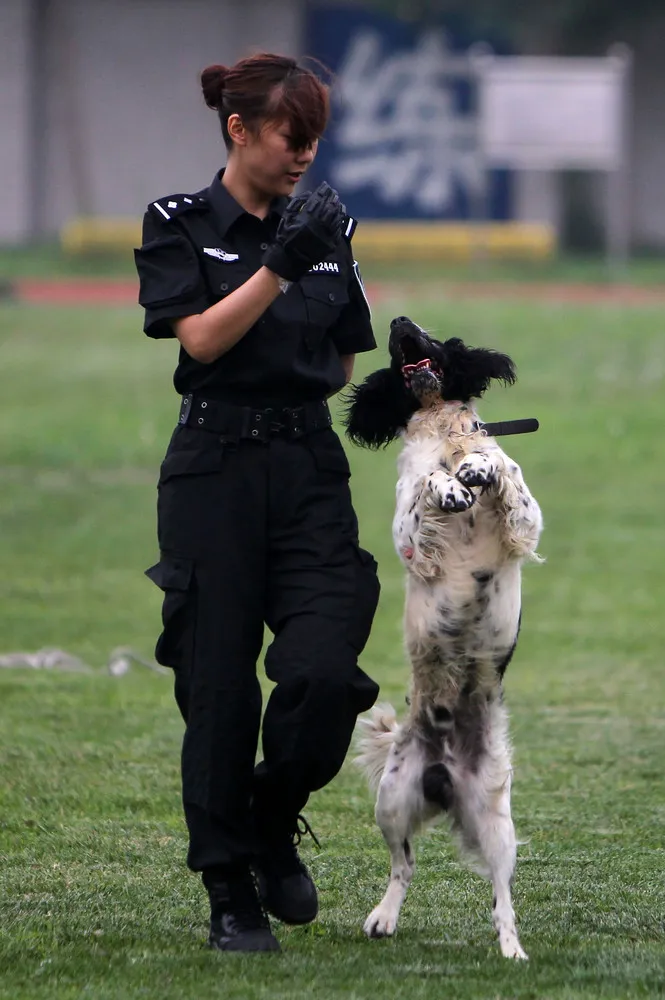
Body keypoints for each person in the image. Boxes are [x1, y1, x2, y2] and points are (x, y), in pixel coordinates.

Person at [134, 52, 381, 953]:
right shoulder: (179, 223)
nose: (306, 154)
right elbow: (198, 341)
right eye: (292, 136)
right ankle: (229, 887)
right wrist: (277, 265)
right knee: (217, 688)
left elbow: (345, 356)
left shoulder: (326, 223)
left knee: (323, 669)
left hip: (308, 467)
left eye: (316, 138)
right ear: (240, 131)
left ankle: (272, 815)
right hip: (213, 469)